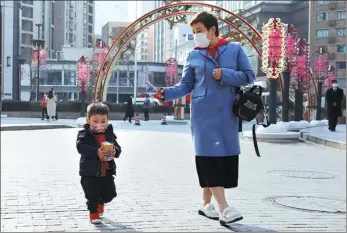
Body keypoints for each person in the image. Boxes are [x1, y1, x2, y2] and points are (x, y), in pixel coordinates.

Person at [158, 11, 255, 225]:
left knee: (220, 158)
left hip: (228, 114)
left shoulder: (235, 50)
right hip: (202, 116)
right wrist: (166, 93)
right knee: (209, 159)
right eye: (193, 32)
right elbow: (185, 86)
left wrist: (226, 75)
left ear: (213, 30)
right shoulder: (193, 55)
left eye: (199, 31)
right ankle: (224, 208)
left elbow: (249, 75)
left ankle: (205, 204)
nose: (196, 36)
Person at [76, 102, 121, 224]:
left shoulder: (109, 133)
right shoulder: (84, 134)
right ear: (88, 120)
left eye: (103, 121)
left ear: (107, 120)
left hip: (106, 172)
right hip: (89, 172)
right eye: (95, 121)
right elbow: (81, 147)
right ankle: (93, 213)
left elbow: (118, 148)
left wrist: (114, 151)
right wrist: (96, 152)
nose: (99, 124)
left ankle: (102, 200)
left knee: (109, 195)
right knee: (92, 195)